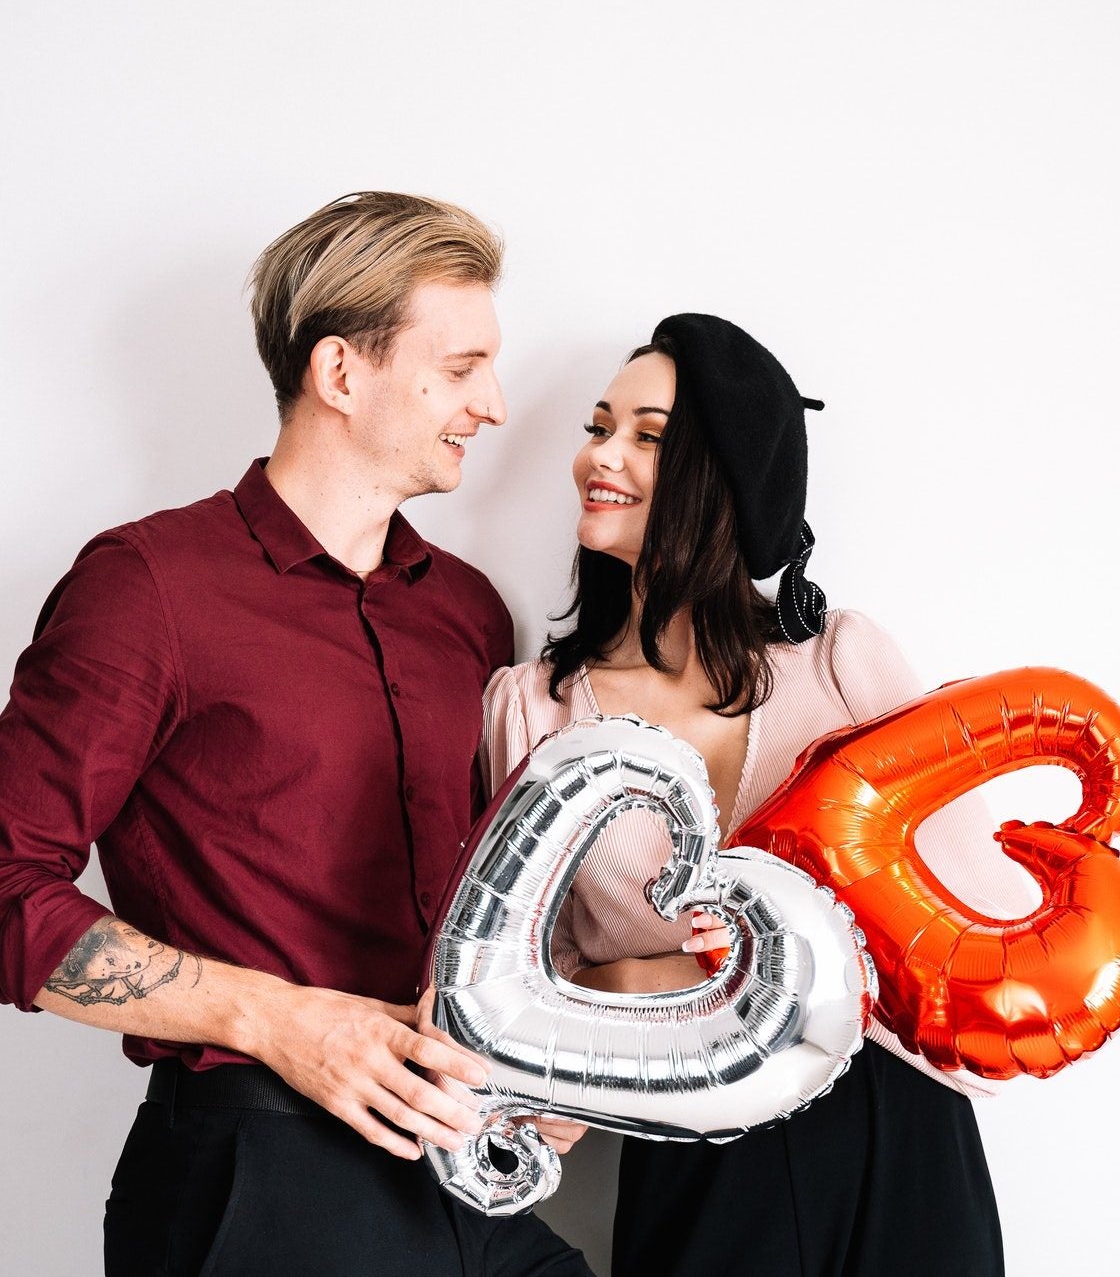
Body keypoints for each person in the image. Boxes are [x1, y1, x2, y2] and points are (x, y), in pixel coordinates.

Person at [0, 192, 590, 1276]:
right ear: (340, 374)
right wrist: (281, 1021)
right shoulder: (147, 587)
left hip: (460, 1155)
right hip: (257, 1172)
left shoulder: (468, 611)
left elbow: (492, 894)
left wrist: (541, 1054)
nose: (495, 405)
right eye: (460, 368)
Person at [481, 313, 1038, 1277]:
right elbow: (526, 983)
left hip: (894, 1123)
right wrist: (640, 982)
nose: (599, 456)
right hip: (696, 1151)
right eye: (598, 426)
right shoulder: (536, 711)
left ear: (722, 477)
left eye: (648, 436)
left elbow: (976, 923)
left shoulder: (842, 665)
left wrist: (765, 960)